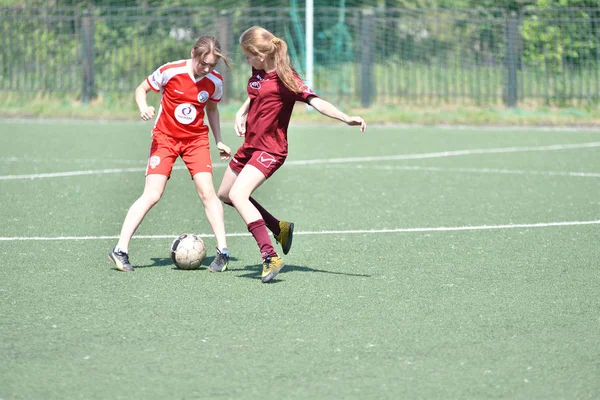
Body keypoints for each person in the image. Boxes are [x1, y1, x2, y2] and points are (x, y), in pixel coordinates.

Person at [216, 26, 366, 283]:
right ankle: (279, 228)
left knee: (239, 195)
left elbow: (315, 101)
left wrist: (344, 117)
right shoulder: (259, 71)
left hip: (270, 149)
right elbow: (255, 93)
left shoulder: (287, 79)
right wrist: (242, 111)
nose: (246, 60)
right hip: (251, 145)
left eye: (248, 55)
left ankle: (269, 256)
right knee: (225, 194)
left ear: (260, 54)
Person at [109, 35, 232, 273]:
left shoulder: (215, 81)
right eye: (203, 63)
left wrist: (219, 141)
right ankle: (120, 250)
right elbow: (141, 89)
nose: (206, 68)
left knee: (208, 193)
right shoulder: (171, 70)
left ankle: (223, 253)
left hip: (196, 141)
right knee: (152, 194)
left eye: (212, 65)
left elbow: (213, 109)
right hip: (164, 139)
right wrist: (143, 107)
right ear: (193, 53)